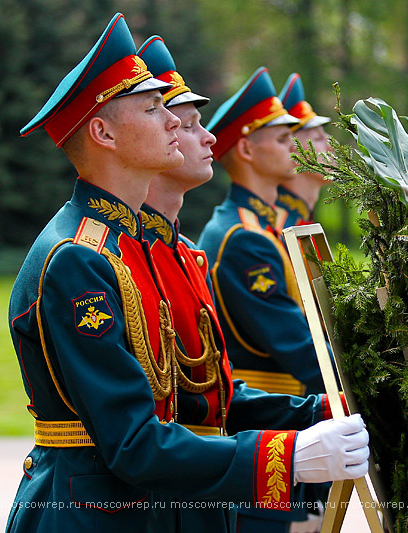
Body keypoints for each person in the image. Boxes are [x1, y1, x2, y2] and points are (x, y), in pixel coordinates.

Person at [6, 14, 368, 533]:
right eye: (154, 109)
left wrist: (315, 415)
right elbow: (133, 443)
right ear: (103, 132)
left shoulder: (146, 246)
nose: (176, 121)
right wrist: (284, 458)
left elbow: (201, 399)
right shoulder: (78, 258)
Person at [136, 36, 331, 532]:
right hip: (237, 444)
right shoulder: (239, 237)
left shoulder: (208, 240)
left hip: (256, 429)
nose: (199, 137)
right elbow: (297, 345)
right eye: (177, 120)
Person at [198, 66, 331, 533]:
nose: (294, 145)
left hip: (291, 412)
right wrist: (354, 387)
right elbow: (295, 341)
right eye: (280, 138)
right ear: (249, 150)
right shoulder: (241, 237)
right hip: (268, 417)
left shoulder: (263, 230)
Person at [275, 73, 332, 231]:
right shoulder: (282, 229)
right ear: (292, 151)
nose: (331, 147)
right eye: (318, 138)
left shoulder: (301, 221)